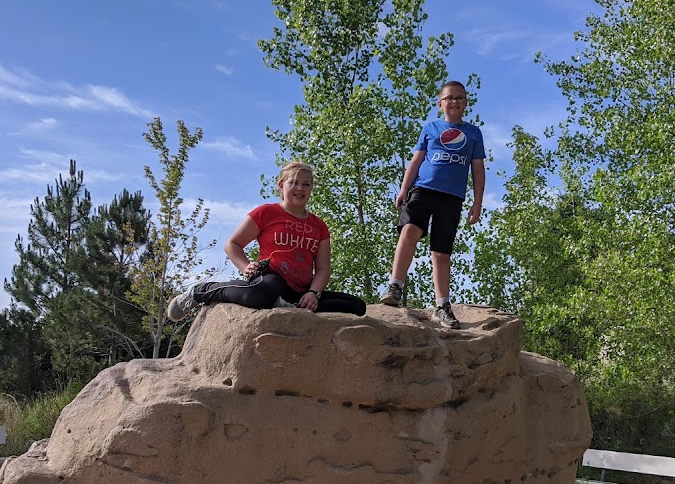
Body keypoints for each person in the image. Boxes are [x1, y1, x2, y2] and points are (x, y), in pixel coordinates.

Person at [167, 161, 367, 321]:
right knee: (259, 295)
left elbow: (323, 268)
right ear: (281, 186)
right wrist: (245, 266)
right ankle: (201, 291)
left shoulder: (319, 225)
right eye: (293, 183)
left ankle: (287, 304)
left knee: (357, 306)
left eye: (306, 184)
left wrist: (314, 293)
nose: (300, 188)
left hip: (301, 290)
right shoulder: (267, 213)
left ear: (312, 188)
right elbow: (233, 244)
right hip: (271, 280)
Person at [378, 80, 485, 329]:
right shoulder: (431, 128)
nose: (455, 101)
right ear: (440, 104)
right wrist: (404, 189)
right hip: (423, 190)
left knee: (441, 252)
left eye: (459, 97)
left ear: (466, 103)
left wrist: (477, 203)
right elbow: (416, 162)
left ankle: (442, 305)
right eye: (449, 98)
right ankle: (395, 285)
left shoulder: (473, 133)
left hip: (452, 197)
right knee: (410, 230)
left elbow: (478, 170)